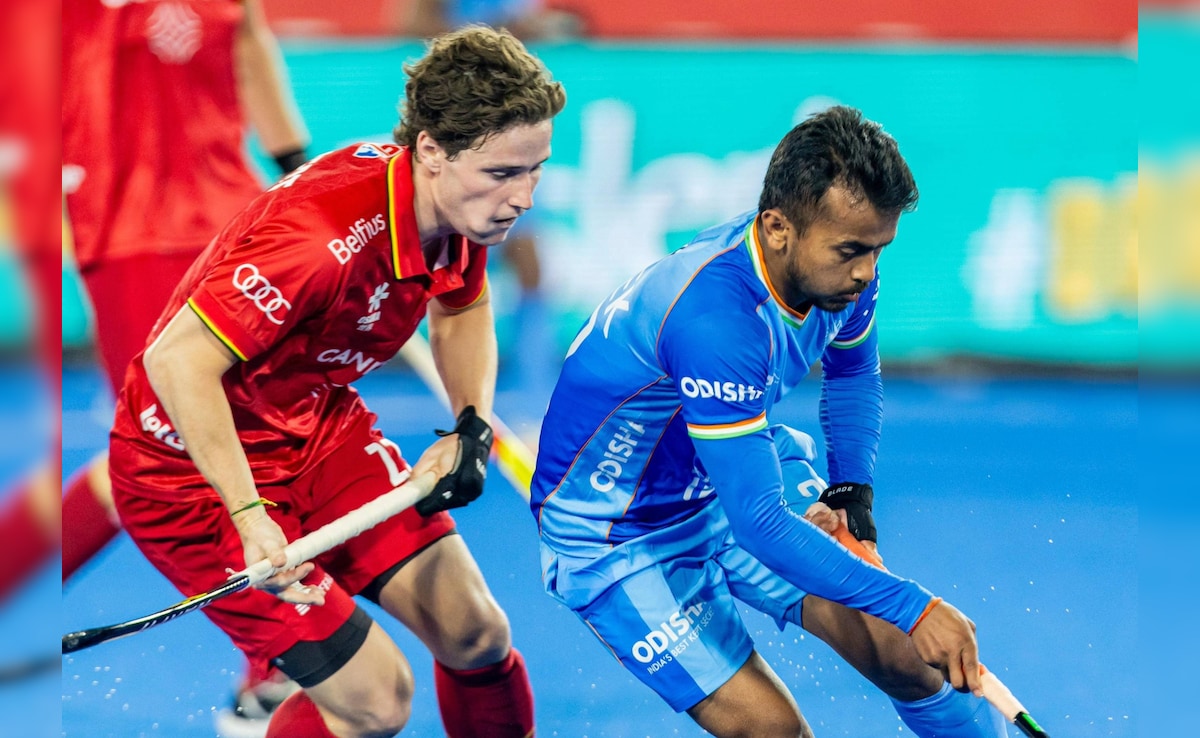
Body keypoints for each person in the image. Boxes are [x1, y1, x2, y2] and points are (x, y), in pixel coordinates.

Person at [107, 24, 565, 738]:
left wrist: (470, 423)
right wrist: (248, 514)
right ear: (432, 151)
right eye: (504, 173)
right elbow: (176, 362)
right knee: (377, 699)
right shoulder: (320, 240)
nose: (525, 197)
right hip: (192, 475)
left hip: (314, 428)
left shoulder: (451, 208)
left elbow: (462, 303)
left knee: (475, 632)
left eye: (535, 170)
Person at [530, 106, 1008, 737]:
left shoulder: (835, 268)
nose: (867, 272)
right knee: (775, 732)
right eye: (852, 251)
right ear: (779, 227)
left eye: (878, 249)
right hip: (621, 534)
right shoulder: (716, 321)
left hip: (726, 469)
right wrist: (916, 607)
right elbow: (758, 523)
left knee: (906, 657)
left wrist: (851, 491)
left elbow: (852, 371)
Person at [61, 0, 311, 731]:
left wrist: (298, 174)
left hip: (233, 219)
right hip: (132, 230)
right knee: (158, 451)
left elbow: (250, 43)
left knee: (255, 444)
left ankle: (276, 668)